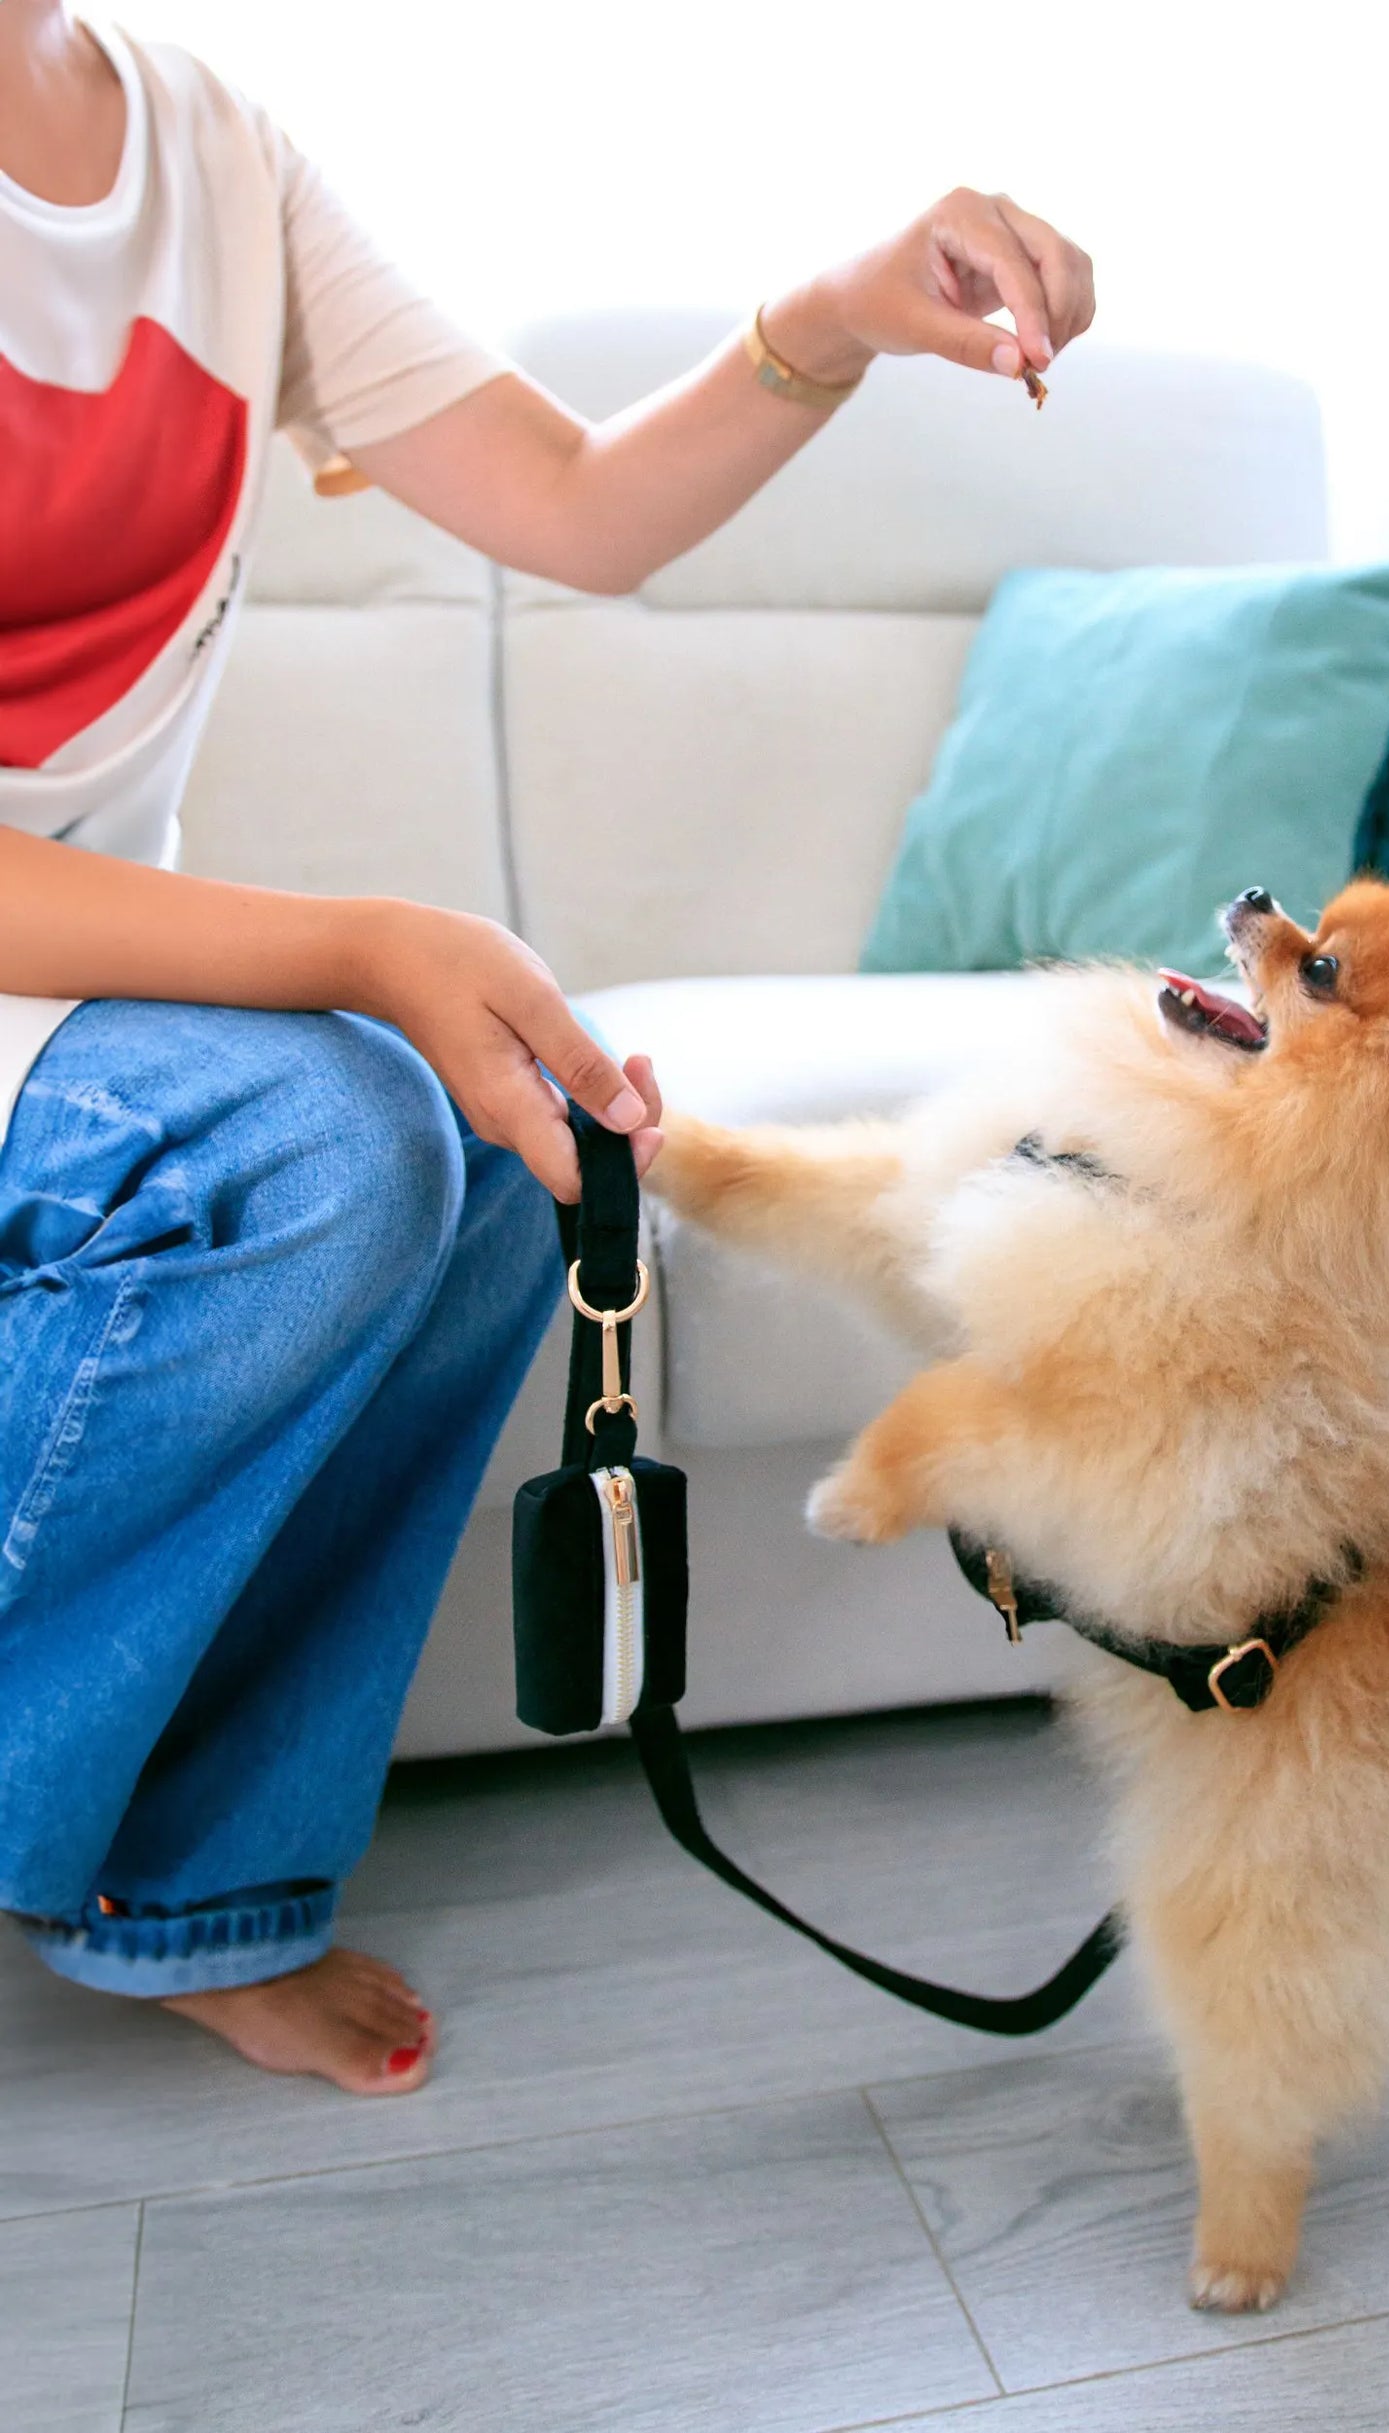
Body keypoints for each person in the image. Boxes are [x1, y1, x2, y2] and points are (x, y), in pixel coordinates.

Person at [0, 3, 1093, 2094]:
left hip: (58, 1009)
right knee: (327, 1141)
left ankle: (189, 1879)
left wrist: (846, 312)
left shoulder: (211, 147)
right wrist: (353, 945)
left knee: (519, 1143)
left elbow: (578, 507)